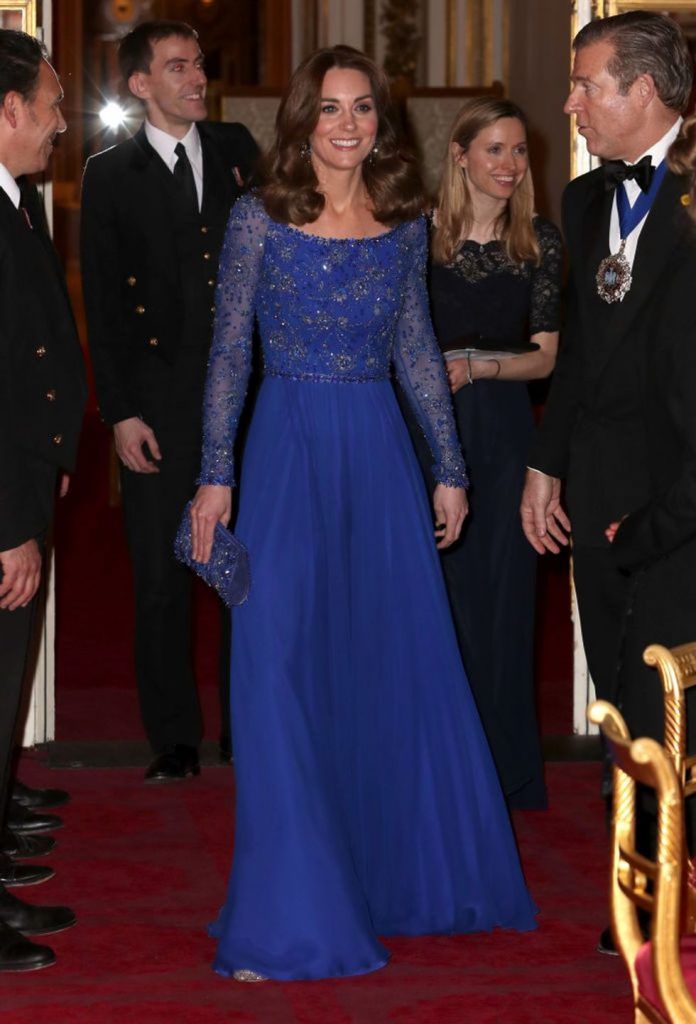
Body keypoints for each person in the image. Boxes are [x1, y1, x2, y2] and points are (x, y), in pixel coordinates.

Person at [190, 45, 536, 983]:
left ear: (383, 122)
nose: (348, 125)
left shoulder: (403, 220)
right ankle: (288, 911)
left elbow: (416, 345)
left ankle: (386, 878)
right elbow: (229, 353)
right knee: (276, 670)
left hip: (379, 457)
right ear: (301, 120)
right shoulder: (259, 218)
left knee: (391, 661)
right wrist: (216, 475)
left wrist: (449, 468)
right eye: (331, 107)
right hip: (286, 452)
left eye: (364, 108)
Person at [519, 11, 696, 952]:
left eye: (588, 85)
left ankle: (668, 893)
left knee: (672, 703)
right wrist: (547, 464)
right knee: (620, 701)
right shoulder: (587, 199)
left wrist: (664, 514)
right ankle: (635, 890)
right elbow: (584, 352)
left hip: (683, 498)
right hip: (597, 489)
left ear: (646, 91)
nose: (570, 104)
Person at [81, 20, 258, 782]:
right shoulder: (109, 174)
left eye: (199, 64)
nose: (197, 78)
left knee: (244, 575)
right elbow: (102, 304)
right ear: (139, 83)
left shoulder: (238, 150)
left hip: (244, 396)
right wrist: (119, 411)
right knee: (159, 579)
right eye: (178, 66)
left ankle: (249, 728)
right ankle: (175, 739)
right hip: (155, 400)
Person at [403, 98, 560, 809]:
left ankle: (503, 773)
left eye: (519, 150)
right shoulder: (416, 234)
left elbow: (547, 357)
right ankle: (434, 769)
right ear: (460, 154)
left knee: (504, 600)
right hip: (422, 431)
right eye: (494, 149)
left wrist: (476, 365)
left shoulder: (538, 242)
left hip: (503, 431)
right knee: (435, 597)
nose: (510, 164)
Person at [0, 29, 86, 970]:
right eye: (52, 106)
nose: (61, 124)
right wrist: (9, 527)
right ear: (9, 108)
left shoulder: (13, 199)